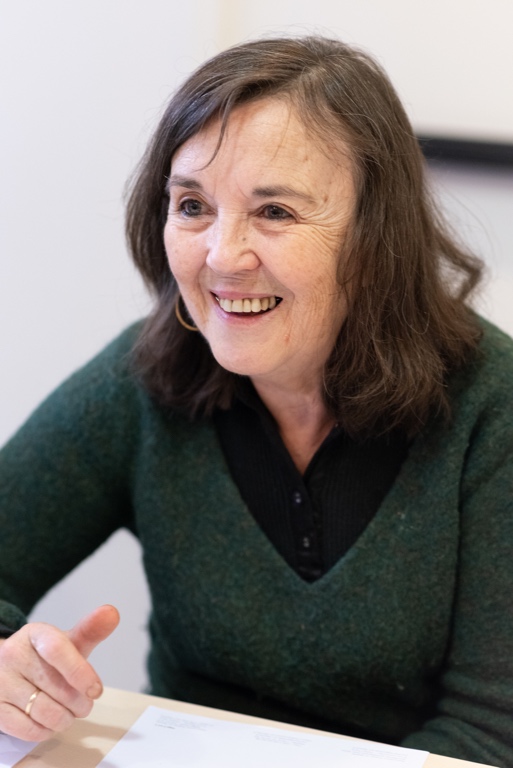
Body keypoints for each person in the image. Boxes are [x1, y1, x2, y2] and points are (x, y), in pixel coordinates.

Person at [0, 35, 512, 766]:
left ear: (376, 235)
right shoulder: (143, 375)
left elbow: (492, 732)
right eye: (192, 205)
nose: (221, 256)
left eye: (274, 211)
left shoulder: (493, 407)